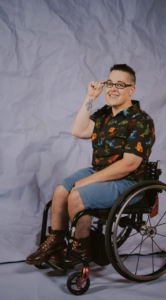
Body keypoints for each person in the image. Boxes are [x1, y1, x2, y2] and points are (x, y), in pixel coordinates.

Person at [26, 64, 155, 268]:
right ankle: (56, 244)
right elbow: (78, 130)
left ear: (132, 89)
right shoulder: (104, 115)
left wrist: (86, 182)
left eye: (120, 84)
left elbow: (129, 164)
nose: (113, 88)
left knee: (77, 194)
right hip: (100, 172)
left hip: (128, 182)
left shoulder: (141, 120)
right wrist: (90, 97)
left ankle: (80, 251)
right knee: (61, 191)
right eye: (110, 83)